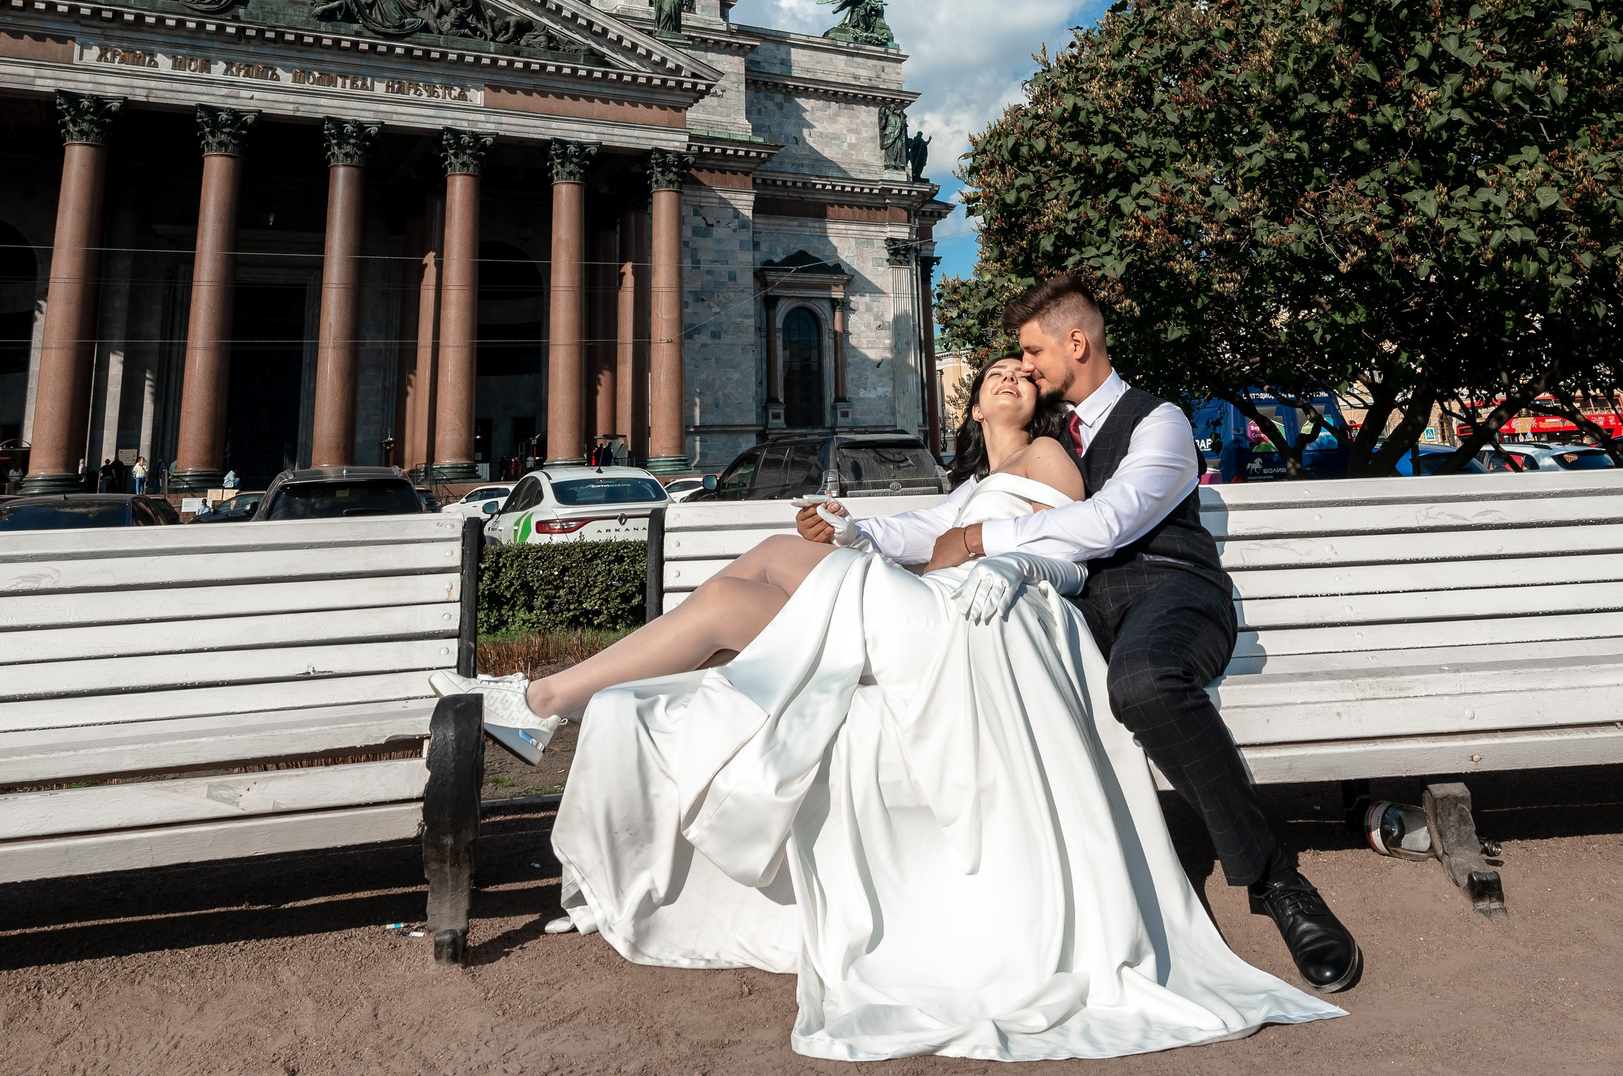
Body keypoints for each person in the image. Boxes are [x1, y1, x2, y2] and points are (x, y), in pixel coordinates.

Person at [431, 337, 1344, 1057]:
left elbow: (1062, 542)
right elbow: (924, 533)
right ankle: (541, 700)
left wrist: (990, 551)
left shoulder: (1055, 460)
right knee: (730, 595)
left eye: (1023, 373)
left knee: (769, 572)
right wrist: (863, 528)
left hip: (975, 630)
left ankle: (546, 699)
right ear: (973, 402)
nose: (1009, 380)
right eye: (994, 373)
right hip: (934, 609)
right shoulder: (974, 483)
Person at [841, 275, 1362, 993]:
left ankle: (1276, 879)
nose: (1025, 367)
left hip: (1172, 592)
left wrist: (983, 536)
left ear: (1076, 343)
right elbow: (936, 521)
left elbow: (1109, 522)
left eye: (1033, 351)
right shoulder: (1041, 440)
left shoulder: (1160, 422)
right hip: (1076, 605)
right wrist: (853, 533)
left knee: (1143, 682)